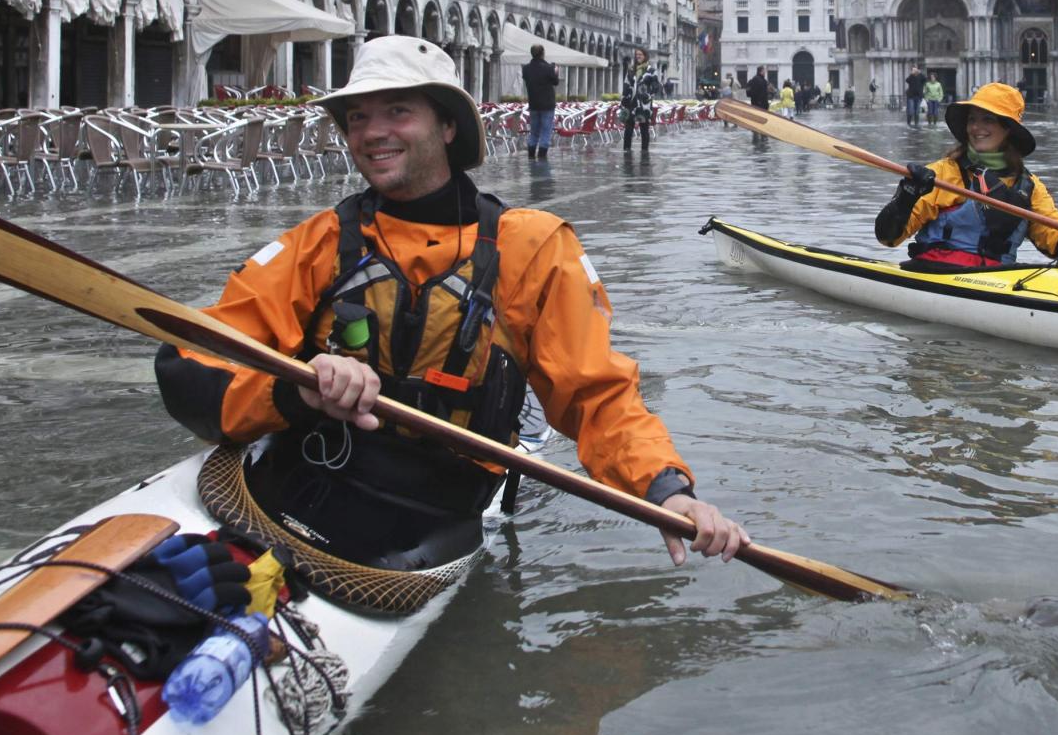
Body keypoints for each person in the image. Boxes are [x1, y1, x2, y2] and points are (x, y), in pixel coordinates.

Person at [154, 36, 746, 577]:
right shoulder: (319, 242)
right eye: (358, 117)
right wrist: (295, 391)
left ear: (446, 128)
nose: (372, 132)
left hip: (430, 516)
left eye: (398, 112)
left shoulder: (532, 247)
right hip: (296, 478)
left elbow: (595, 394)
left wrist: (666, 488)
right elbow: (193, 363)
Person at [873, 82, 1058, 275]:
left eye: (987, 120)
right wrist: (907, 194)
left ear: (1008, 129)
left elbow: (1055, 237)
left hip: (999, 279)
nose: (976, 128)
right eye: (972, 119)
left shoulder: (1029, 187)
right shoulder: (942, 174)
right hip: (935, 273)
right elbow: (888, 237)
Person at [521, 44, 558, 160]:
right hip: (547, 105)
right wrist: (555, 71)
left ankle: (531, 157)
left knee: (534, 132)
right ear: (542, 53)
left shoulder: (526, 68)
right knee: (545, 133)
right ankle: (542, 159)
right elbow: (555, 82)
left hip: (534, 105)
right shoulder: (549, 68)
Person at [620, 48, 659, 152]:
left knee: (644, 128)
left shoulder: (651, 71)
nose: (638, 56)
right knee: (628, 128)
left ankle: (644, 151)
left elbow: (656, 86)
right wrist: (623, 100)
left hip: (643, 104)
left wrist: (649, 95)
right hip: (630, 102)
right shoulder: (631, 69)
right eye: (637, 54)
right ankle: (627, 149)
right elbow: (626, 84)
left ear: (645, 56)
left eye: (640, 54)